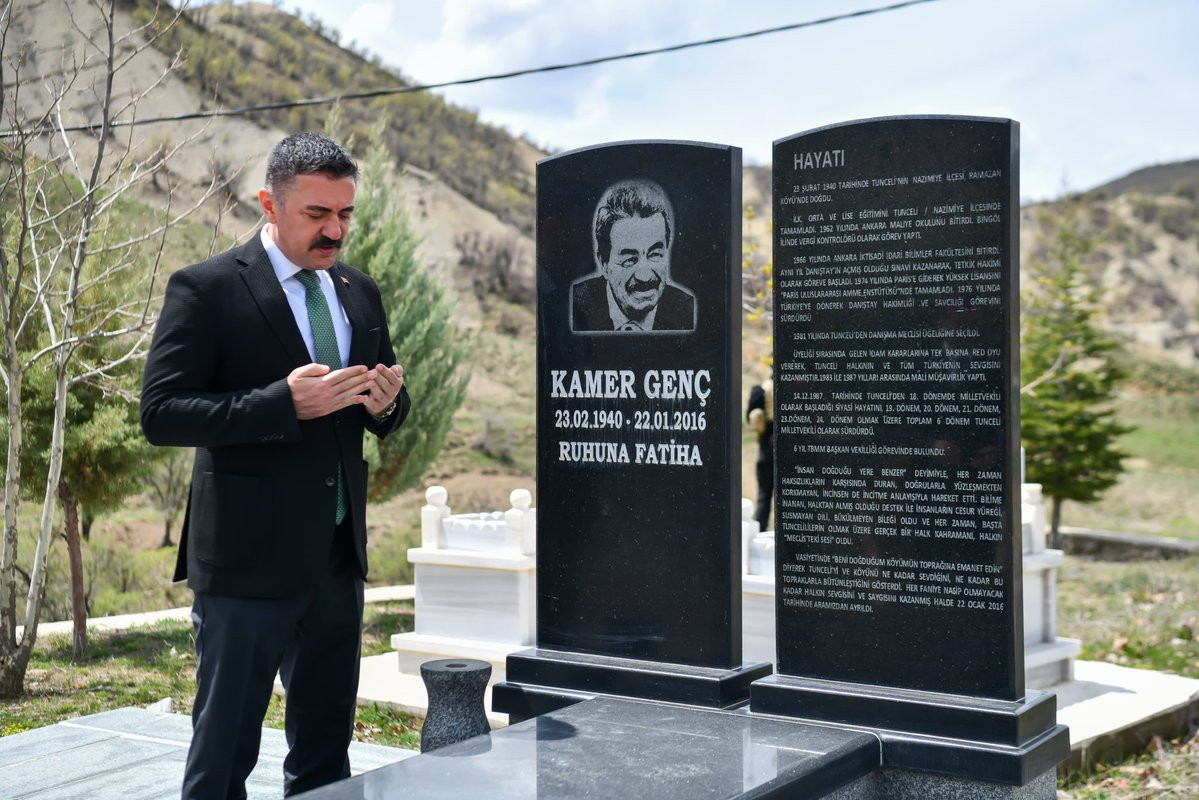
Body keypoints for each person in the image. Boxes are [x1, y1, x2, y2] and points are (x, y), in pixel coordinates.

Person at [140, 132, 411, 799]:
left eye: (345, 213)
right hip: (244, 564)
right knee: (222, 760)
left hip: (336, 562)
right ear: (269, 203)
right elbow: (162, 413)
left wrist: (386, 406)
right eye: (317, 214)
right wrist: (281, 405)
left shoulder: (359, 291)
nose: (335, 230)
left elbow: (381, 405)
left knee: (325, 759)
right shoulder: (206, 288)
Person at [571, 179, 695, 332]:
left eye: (655, 254)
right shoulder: (576, 305)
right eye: (629, 260)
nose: (645, 277)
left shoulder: (686, 311)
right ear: (604, 263)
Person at [746, 371, 774, 530]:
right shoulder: (794, 390)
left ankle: (760, 531)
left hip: (766, 450)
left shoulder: (760, 391)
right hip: (789, 453)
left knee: (764, 496)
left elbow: (749, 416)